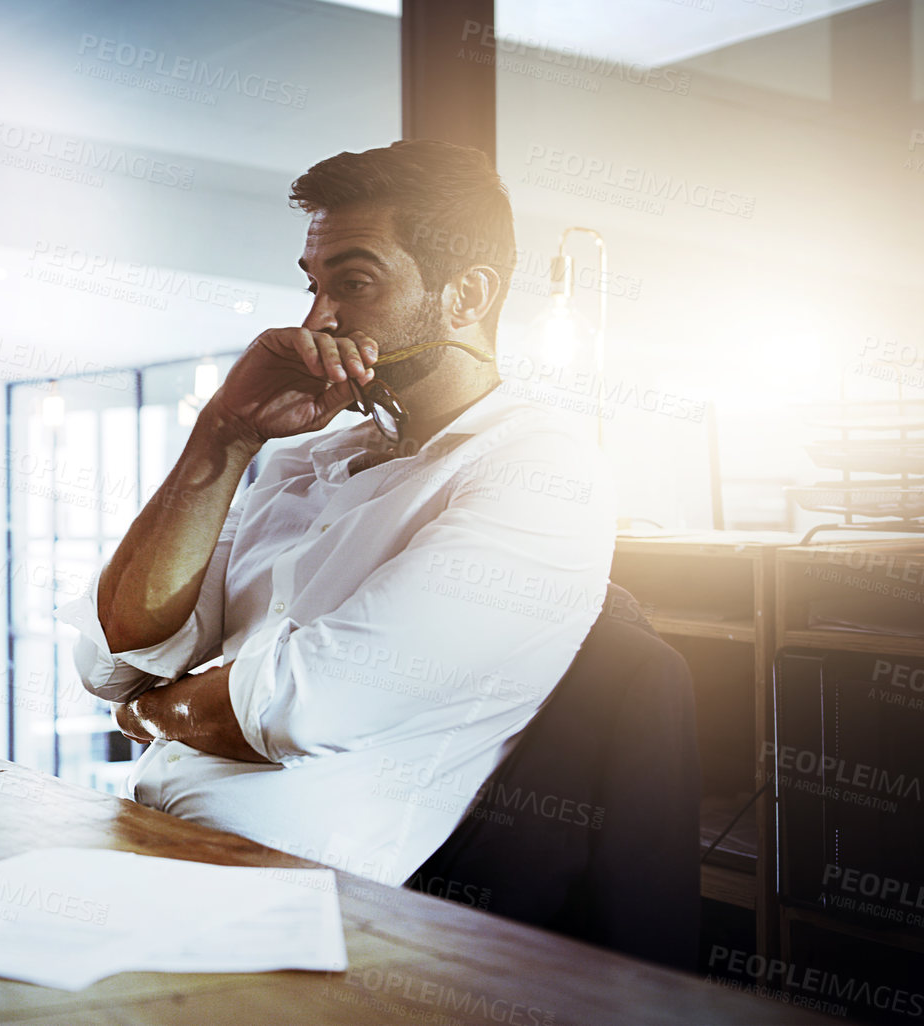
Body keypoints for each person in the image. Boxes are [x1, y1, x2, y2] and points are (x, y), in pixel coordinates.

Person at [58, 140, 616, 886]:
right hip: (151, 847)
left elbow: (296, 711)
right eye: (313, 285)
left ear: (468, 295)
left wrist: (145, 715)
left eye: (353, 283)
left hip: (308, 906)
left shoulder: (542, 470)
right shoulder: (296, 459)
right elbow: (118, 656)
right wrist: (224, 432)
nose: (318, 320)